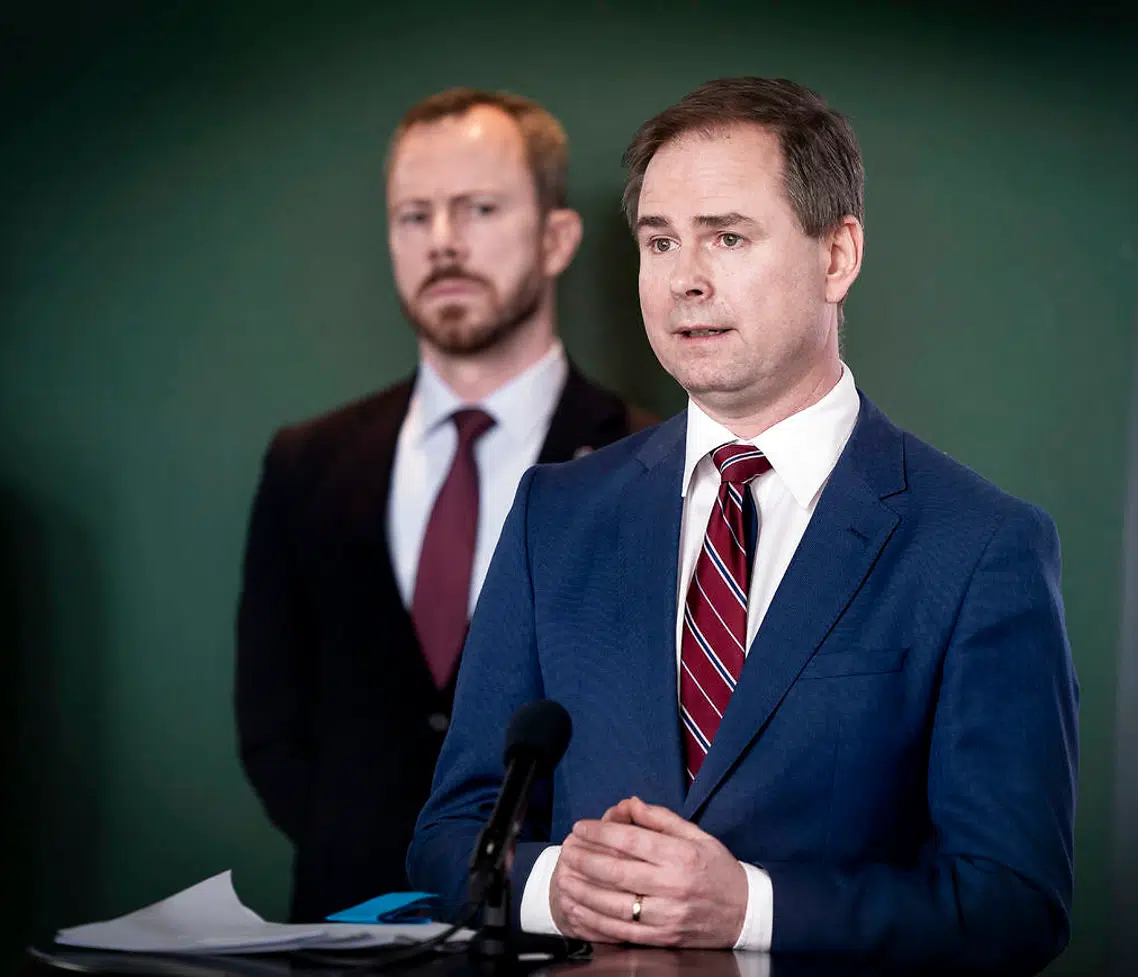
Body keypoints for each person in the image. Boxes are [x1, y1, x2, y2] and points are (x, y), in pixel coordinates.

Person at [407, 77, 1078, 972]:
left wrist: (749, 907)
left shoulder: (980, 547)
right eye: (660, 241)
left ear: (837, 256)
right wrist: (553, 886)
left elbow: (1013, 907)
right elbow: (449, 835)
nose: (686, 279)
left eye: (727, 237)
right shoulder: (552, 518)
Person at [235, 88, 654, 923]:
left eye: (479, 208)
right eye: (414, 215)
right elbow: (272, 723)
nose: (443, 242)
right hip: (340, 929)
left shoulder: (648, 464)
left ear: (557, 238)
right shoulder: (305, 463)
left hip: (558, 936)